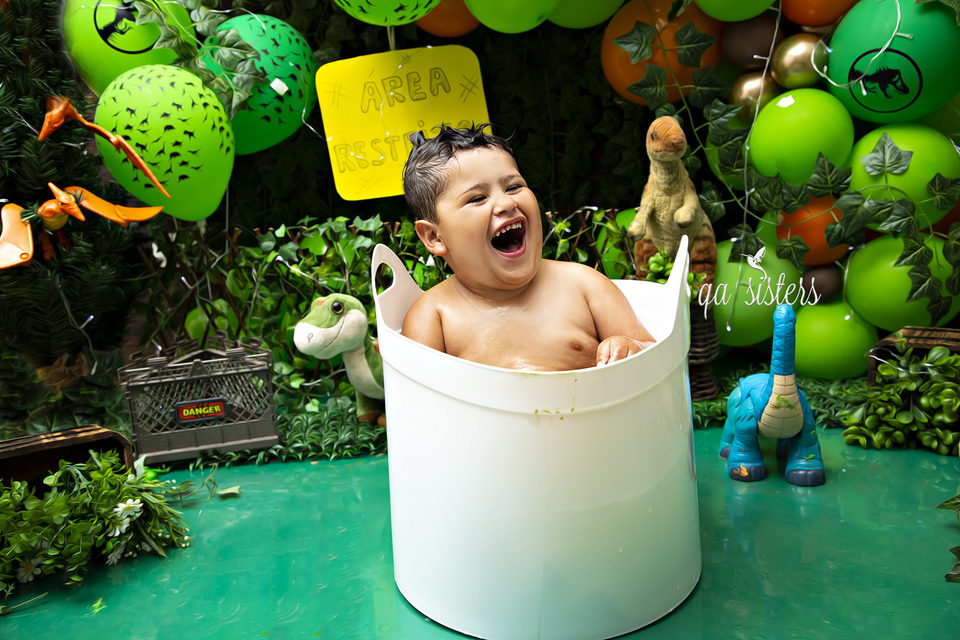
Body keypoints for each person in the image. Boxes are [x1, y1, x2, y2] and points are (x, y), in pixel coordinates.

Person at [401, 124, 656, 371]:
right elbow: (415, 394)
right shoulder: (433, 316)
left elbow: (653, 353)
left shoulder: (583, 285)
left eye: (513, 187)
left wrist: (631, 347)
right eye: (477, 198)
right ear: (434, 237)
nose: (506, 203)